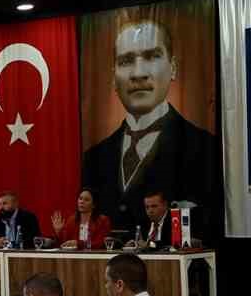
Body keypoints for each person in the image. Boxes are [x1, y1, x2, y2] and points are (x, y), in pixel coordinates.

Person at [81, 18, 222, 238]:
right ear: (113, 77)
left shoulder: (204, 146)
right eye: (126, 61)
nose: (138, 73)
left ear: (173, 68)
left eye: (152, 56)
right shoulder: (94, 156)